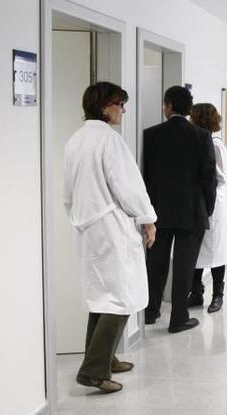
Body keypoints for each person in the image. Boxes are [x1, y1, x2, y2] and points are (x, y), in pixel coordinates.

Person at [63, 82, 157, 393]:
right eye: (120, 104)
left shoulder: (75, 141)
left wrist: (80, 218)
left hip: (89, 229)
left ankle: (105, 358)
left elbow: (68, 193)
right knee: (120, 297)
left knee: (102, 296)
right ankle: (93, 370)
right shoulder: (109, 140)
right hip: (111, 227)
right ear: (105, 107)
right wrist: (148, 220)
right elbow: (128, 187)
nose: (124, 110)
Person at [142, 86, 217, 334]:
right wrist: (208, 208)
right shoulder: (201, 136)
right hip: (191, 212)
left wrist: (147, 211)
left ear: (169, 106)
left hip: (159, 211)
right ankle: (178, 318)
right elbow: (209, 178)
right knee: (185, 266)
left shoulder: (150, 135)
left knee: (156, 264)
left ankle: (150, 313)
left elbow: (147, 176)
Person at [188, 103, 227, 313]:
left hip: (214, 201)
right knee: (197, 251)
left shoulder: (214, 144)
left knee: (215, 251)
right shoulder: (196, 141)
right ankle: (196, 293)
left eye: (193, 117)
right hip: (199, 201)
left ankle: (218, 295)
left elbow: (222, 176)